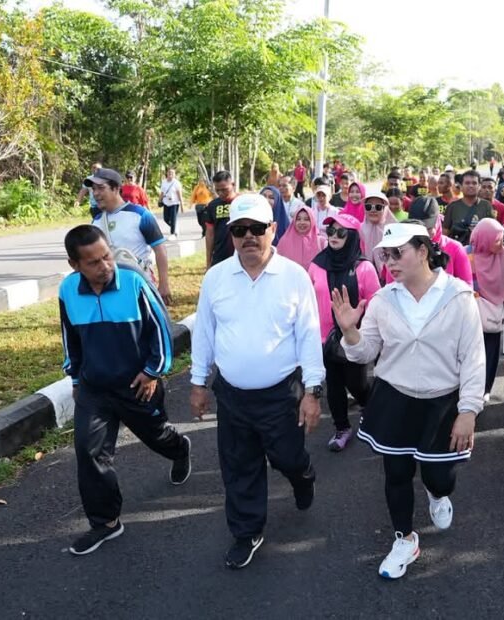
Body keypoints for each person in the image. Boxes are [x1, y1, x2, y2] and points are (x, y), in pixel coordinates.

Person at [332, 221, 485, 580]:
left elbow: (474, 358)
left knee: (440, 478)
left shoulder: (459, 296)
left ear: (423, 251)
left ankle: (437, 493)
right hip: (394, 399)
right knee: (396, 473)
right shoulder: (384, 299)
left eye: (397, 253)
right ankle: (404, 539)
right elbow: (365, 352)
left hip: (442, 403)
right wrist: (350, 330)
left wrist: (468, 410)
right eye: (386, 255)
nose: (390, 262)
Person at [189, 193, 324, 569]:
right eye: (239, 229)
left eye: (257, 228)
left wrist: (313, 391)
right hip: (232, 395)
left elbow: (309, 337)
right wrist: (198, 383)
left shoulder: (294, 277)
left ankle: (302, 475)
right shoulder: (216, 278)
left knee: (288, 458)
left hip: (282, 393)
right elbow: (205, 333)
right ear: (230, 234)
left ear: (273, 229)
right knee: (239, 465)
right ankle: (247, 532)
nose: (248, 236)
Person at [59, 225, 190, 556]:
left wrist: (152, 371)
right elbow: (70, 337)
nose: (105, 266)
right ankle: (106, 522)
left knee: (156, 435)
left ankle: (179, 448)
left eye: (106, 256)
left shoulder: (133, 281)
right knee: (89, 452)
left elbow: (161, 330)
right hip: (94, 388)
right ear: (75, 264)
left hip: (137, 384)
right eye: (93, 262)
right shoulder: (68, 290)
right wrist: (75, 379)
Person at [308, 213, 380, 452]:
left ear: (352, 236)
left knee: (357, 384)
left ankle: (371, 410)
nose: (334, 236)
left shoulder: (364, 267)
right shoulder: (317, 265)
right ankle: (342, 428)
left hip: (354, 337)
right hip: (324, 338)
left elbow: (376, 303)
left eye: (341, 232)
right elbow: (307, 300)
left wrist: (361, 325)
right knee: (334, 384)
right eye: (330, 231)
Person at [87, 168, 172, 304]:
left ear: (116, 188)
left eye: (101, 188)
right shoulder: (96, 221)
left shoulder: (140, 215)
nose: (96, 193)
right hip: (110, 291)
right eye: (93, 189)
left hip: (139, 287)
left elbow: (160, 249)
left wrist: (164, 284)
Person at [469, 218, 504, 401]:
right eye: (497, 240)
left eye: (502, 239)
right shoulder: (467, 255)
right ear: (485, 239)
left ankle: (485, 389)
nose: (501, 244)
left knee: (490, 354)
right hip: (470, 315)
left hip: (494, 316)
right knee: (469, 355)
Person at [399, 197, 473, 286]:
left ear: (438, 220)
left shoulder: (455, 248)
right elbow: (393, 288)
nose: (425, 233)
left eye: (428, 228)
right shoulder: (399, 250)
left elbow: (467, 288)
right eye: (419, 229)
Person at [443, 170, 494, 245]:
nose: (471, 186)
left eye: (474, 183)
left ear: (479, 186)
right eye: (467, 183)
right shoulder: (452, 207)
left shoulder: (486, 206)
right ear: (461, 186)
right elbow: (445, 232)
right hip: (457, 249)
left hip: (480, 249)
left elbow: (492, 231)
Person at [202, 170, 238, 271]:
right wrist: (208, 262)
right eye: (217, 190)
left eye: (224, 190)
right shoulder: (212, 205)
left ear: (233, 185)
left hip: (240, 254)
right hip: (220, 255)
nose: (221, 193)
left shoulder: (242, 202)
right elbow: (210, 234)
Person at [276, 204, 325, 271]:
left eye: (306, 219)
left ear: (312, 221)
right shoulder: (284, 242)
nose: (302, 222)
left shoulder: (321, 242)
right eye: (298, 219)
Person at [360, 191, 398, 278]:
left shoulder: (394, 230)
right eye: (368, 207)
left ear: (385, 209)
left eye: (378, 207)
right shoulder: (360, 230)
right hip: (365, 276)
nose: (373, 210)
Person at [159, 168, 183, 240]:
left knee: (173, 218)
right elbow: (162, 192)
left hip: (174, 203)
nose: (170, 174)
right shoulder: (164, 182)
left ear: (174, 175)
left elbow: (179, 195)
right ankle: (175, 227)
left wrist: (182, 205)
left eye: (172, 173)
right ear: (167, 173)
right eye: (169, 173)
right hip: (166, 202)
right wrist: (160, 200)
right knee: (166, 219)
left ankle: (173, 234)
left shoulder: (176, 183)